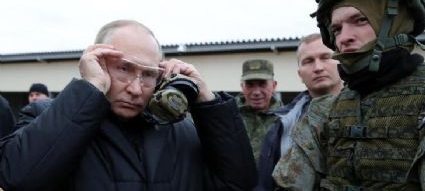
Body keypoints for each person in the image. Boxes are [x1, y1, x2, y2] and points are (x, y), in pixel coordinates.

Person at [0, 19, 256, 190]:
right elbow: (19, 180)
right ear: (96, 61)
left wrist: (207, 101)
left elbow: (239, 183)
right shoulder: (45, 115)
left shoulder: (183, 131)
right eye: (123, 69)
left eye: (148, 74)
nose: (135, 89)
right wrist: (90, 89)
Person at [276, 0, 425, 189]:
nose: (344, 38)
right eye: (336, 29)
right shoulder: (323, 111)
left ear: (395, 22)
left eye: (360, 20)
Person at [255, 33, 343, 190]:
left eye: (325, 57)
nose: (318, 67)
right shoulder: (282, 122)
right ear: (300, 74)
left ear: (340, 61)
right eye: (308, 61)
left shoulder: (371, 109)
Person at [236, 59, 282, 161]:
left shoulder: (287, 119)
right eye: (250, 85)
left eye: (262, 84)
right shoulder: (229, 116)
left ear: (274, 85)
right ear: (242, 87)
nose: (256, 92)